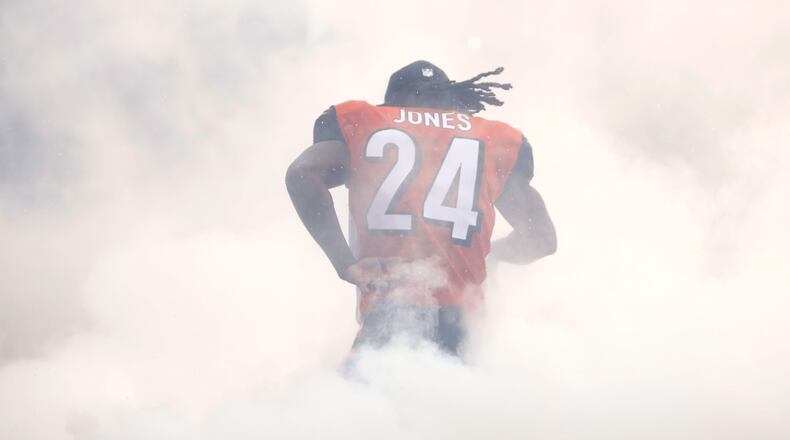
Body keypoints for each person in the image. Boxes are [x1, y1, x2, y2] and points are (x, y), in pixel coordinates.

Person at [286, 60, 556, 357]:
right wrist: (495, 256)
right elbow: (541, 238)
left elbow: (303, 174)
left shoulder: (367, 124)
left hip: (390, 310)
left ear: (392, 105)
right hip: (463, 325)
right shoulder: (493, 140)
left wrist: (344, 263)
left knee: (352, 401)